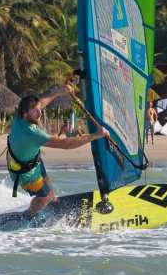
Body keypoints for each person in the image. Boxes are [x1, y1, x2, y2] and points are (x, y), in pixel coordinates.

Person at [7, 85, 107, 219]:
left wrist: (59, 91)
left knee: (48, 185)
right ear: (26, 113)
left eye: (39, 109)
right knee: (45, 196)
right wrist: (95, 135)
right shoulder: (32, 133)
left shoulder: (20, 116)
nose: (40, 113)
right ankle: (28, 215)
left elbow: (41, 102)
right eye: (35, 111)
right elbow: (65, 144)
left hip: (32, 161)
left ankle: (49, 200)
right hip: (26, 174)